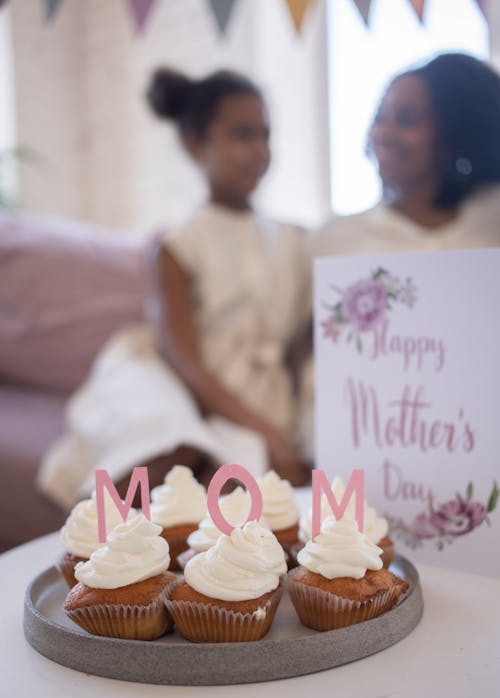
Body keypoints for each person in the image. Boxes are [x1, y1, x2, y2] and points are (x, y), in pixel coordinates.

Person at [37, 68, 311, 509]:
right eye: (243, 135)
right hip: (185, 382)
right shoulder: (178, 244)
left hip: (260, 395)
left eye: (265, 135)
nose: (260, 150)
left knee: (238, 494)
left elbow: (301, 341)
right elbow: (186, 361)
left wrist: (285, 423)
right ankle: (101, 550)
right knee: (176, 448)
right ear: (195, 144)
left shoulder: (292, 239)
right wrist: (267, 433)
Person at [313, 52, 500, 257]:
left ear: (454, 130)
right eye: (380, 118)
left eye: (406, 120)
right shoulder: (334, 239)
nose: (384, 134)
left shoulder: (492, 218)